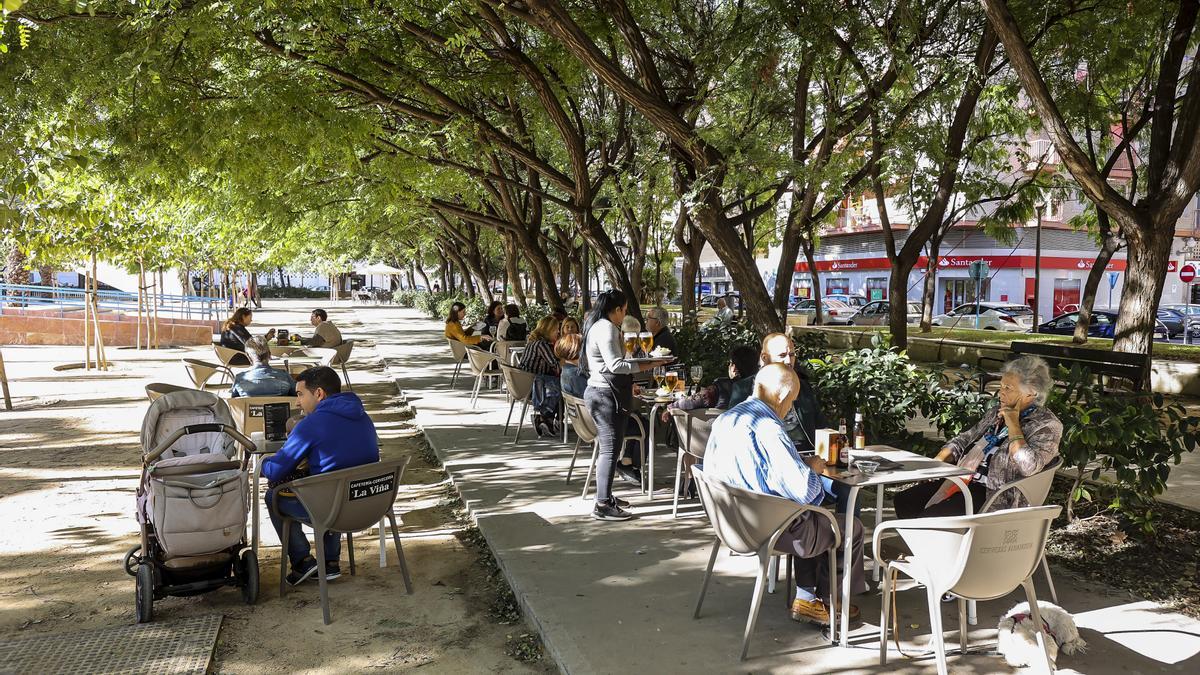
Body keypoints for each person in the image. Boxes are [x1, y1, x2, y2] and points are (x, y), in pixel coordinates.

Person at [705, 364, 866, 624]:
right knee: (849, 527)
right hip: (768, 530)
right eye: (791, 400)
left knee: (808, 513)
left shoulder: (726, 419)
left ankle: (806, 597)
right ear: (780, 396)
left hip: (730, 522)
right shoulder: (769, 428)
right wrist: (811, 469)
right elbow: (805, 491)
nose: (791, 408)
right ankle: (833, 602)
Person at [893, 355, 1061, 519]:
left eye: (1007, 389)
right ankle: (927, 545)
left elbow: (1029, 466)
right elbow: (965, 439)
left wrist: (1014, 425)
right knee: (905, 501)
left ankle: (947, 544)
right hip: (965, 481)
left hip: (995, 494)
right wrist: (937, 461)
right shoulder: (996, 413)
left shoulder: (1047, 426)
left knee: (930, 517)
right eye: (1001, 386)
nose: (1000, 393)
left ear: (1030, 394)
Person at [262, 367, 379, 585]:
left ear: (319, 394)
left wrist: (263, 462)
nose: (297, 403)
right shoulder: (363, 416)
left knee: (273, 496)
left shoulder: (310, 424)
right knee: (331, 482)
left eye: (300, 394)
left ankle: (303, 561)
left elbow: (276, 470)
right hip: (369, 505)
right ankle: (330, 562)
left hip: (333, 511)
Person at [582, 289, 671, 520]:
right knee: (611, 450)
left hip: (602, 392)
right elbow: (616, 366)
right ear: (619, 309)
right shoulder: (607, 328)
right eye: (625, 309)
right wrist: (649, 364)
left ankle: (605, 494)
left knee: (610, 449)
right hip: (606, 395)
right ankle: (602, 504)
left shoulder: (599, 326)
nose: (626, 314)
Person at [664, 344, 759, 418]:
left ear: (734, 368)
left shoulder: (719, 387)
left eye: (730, 363)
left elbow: (691, 401)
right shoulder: (760, 390)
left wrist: (671, 407)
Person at [519, 316, 563, 436]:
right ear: (548, 330)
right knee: (560, 386)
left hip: (524, 383)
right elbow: (556, 366)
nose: (558, 332)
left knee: (556, 383)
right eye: (556, 329)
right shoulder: (541, 345)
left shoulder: (533, 342)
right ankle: (545, 417)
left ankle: (547, 419)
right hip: (533, 385)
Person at [231, 337, 297, 398]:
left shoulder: (240, 379)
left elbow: (234, 402)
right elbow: (296, 396)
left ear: (248, 357)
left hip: (247, 410)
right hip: (280, 410)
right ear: (269, 354)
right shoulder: (284, 376)